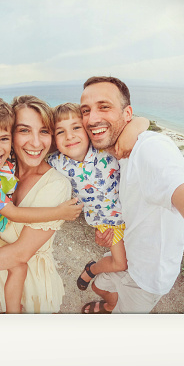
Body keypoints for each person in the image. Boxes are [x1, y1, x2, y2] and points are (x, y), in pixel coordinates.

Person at [79, 76, 184, 314]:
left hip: (146, 279)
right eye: (85, 110)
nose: (92, 118)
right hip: (123, 254)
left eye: (104, 106)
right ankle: (108, 306)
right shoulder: (107, 156)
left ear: (127, 114)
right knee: (100, 287)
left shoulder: (149, 150)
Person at [0, 97, 82, 313]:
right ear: (10, 134)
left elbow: (21, 254)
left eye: (44, 131)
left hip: (27, 280)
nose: (36, 142)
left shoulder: (56, 185)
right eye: (24, 130)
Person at [47, 102, 149, 292]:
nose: (69, 136)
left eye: (76, 127)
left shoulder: (106, 147)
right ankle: (91, 269)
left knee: (140, 255)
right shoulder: (55, 163)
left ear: (88, 130)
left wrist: (137, 124)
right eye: (60, 132)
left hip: (134, 216)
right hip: (108, 223)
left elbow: (142, 122)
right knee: (121, 264)